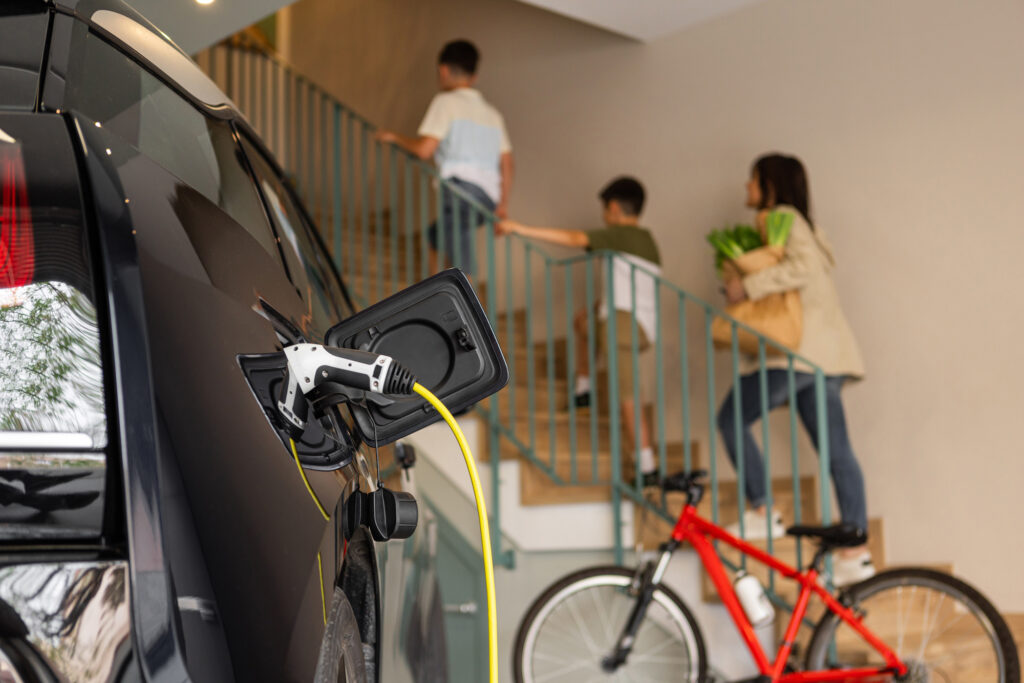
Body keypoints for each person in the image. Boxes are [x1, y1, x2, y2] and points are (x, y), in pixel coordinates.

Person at [717, 153, 872, 586]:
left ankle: (763, 508)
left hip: (797, 354)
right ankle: (856, 550)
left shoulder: (781, 217)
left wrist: (744, 284)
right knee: (837, 451)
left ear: (769, 183)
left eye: (752, 179)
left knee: (730, 418)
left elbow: (801, 269)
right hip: (824, 357)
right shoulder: (805, 223)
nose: (745, 187)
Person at [497, 177, 662, 487]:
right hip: (627, 319)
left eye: (605, 211)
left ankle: (647, 468)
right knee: (583, 322)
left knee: (628, 394)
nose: (604, 217)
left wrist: (520, 228)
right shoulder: (644, 240)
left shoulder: (622, 234)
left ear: (613, 208)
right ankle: (583, 391)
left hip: (623, 326)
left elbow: (574, 238)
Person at [376, 39, 513, 278]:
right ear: (474, 76)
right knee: (433, 238)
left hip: (460, 190)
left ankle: (466, 307)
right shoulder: (494, 114)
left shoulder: (445, 102)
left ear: (444, 70)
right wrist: (502, 207)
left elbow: (424, 150)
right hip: (488, 198)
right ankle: (439, 298)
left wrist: (394, 138)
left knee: (461, 260)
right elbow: (508, 164)